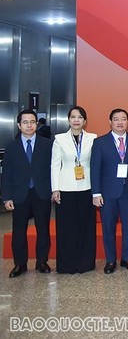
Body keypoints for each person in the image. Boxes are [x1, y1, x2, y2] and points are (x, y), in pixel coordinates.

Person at [3, 109, 53, 278]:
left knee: (43, 229)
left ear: (36, 124)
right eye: (25, 122)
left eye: (32, 122)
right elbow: (7, 174)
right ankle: (20, 263)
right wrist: (7, 197)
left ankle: (42, 261)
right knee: (18, 231)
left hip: (42, 193)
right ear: (19, 125)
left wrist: (54, 190)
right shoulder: (11, 147)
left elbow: (53, 169)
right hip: (20, 194)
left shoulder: (48, 144)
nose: (29, 125)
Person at [91, 108, 128, 274]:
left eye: (123, 119)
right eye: (116, 119)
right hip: (107, 193)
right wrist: (96, 193)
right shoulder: (100, 142)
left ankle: (127, 258)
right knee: (108, 228)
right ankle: (110, 260)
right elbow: (95, 169)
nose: (120, 122)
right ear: (110, 122)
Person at [50, 106, 97, 274]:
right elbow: (55, 165)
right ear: (69, 120)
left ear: (85, 121)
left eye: (80, 117)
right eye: (73, 117)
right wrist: (55, 189)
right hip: (65, 188)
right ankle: (67, 264)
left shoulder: (93, 138)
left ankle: (85, 263)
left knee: (86, 226)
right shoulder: (59, 139)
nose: (76, 120)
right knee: (67, 228)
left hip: (87, 187)